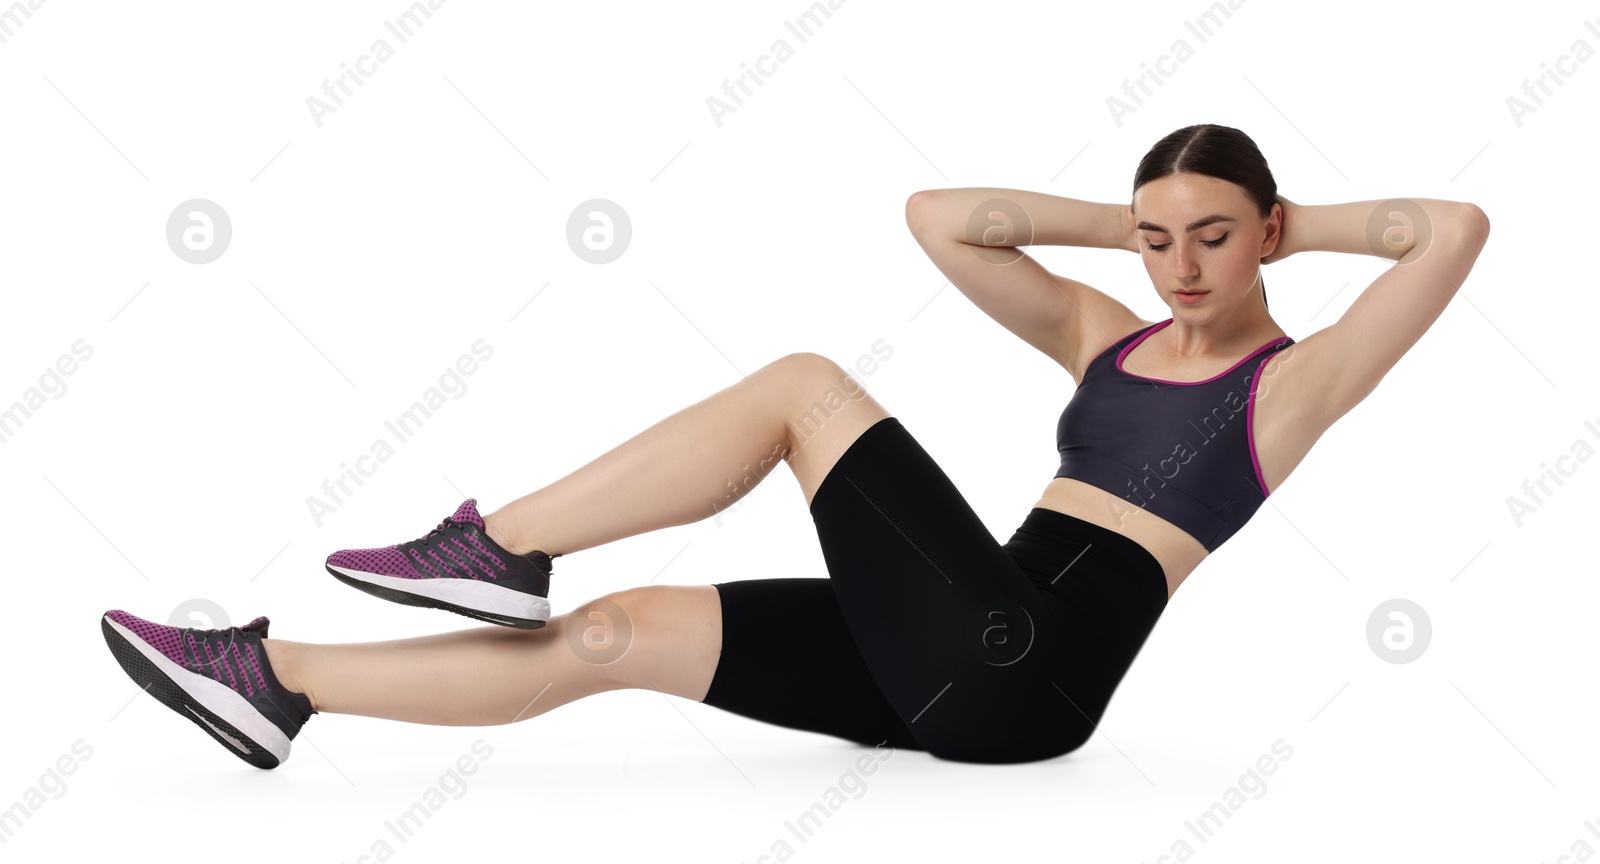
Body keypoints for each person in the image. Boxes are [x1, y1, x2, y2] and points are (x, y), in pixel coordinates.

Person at [99, 123, 1490, 768]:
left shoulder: (1294, 383)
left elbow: (1452, 231)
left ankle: (501, 540)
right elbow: (943, 214)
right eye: (1161, 236)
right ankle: (276, 680)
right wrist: (1124, 220)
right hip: (971, 641)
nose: (1183, 265)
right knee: (619, 636)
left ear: (1264, 234)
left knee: (803, 389)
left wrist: (1299, 222)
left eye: (1216, 236)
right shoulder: (1101, 334)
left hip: (1030, 668)